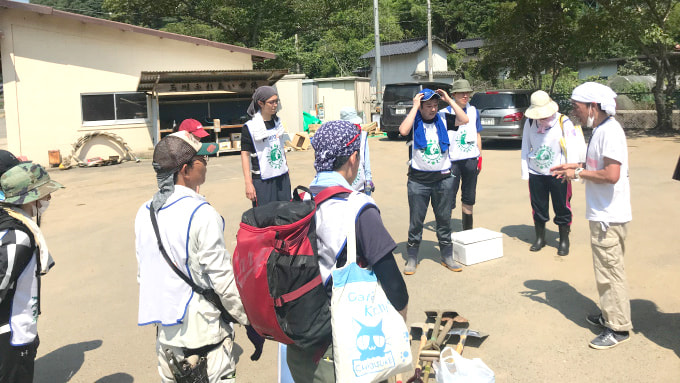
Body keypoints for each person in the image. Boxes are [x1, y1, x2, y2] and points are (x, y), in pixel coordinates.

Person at [286, 120, 409, 382]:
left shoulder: (301, 202)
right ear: (354, 158)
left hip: (301, 346)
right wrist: (398, 329)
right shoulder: (358, 208)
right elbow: (395, 286)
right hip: (344, 353)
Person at [135, 131, 260, 382]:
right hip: (205, 337)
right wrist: (249, 320)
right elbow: (222, 279)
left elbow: (144, 275)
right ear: (185, 169)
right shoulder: (201, 213)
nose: (206, 165)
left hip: (167, 340)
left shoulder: (144, 212)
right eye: (202, 160)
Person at [551, 82, 633, 350]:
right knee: (606, 271)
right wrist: (576, 166)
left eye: (577, 107)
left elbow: (611, 175)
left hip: (608, 216)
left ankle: (617, 327)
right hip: (604, 214)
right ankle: (610, 314)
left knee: (610, 272)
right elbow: (599, 165)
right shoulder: (601, 130)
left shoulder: (610, 132)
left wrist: (578, 174)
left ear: (593, 107)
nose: (575, 112)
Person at [0, 157, 63, 382]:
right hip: (11, 334)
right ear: (29, 198)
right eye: (44, 193)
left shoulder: (11, 221)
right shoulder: (18, 236)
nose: (48, 198)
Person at [398, 88, 469, 275]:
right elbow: (403, 130)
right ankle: (412, 257)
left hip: (443, 180)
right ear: (421, 107)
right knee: (416, 222)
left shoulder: (444, 119)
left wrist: (449, 100)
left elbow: (465, 119)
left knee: (444, 221)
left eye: (436, 105)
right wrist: (414, 107)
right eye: (428, 106)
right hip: (418, 181)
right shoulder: (414, 123)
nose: (433, 109)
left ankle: (447, 256)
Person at [521, 90, 583, 256]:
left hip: (559, 173)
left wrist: (571, 171)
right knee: (538, 207)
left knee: (562, 206)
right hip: (536, 172)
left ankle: (564, 239)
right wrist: (525, 171)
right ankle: (540, 238)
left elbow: (572, 146)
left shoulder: (564, 122)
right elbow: (525, 146)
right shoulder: (530, 123)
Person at [240, 86, 291, 207]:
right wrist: (248, 183)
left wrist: (287, 169)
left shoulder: (278, 123)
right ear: (260, 103)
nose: (275, 105)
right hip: (262, 180)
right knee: (265, 218)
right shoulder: (250, 127)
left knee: (285, 214)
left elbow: (280, 148)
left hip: (281, 176)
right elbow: (245, 155)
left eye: (276, 101)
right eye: (271, 102)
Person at [444, 79, 483, 231]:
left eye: (467, 93)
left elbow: (477, 134)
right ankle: (445, 231)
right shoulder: (445, 113)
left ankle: (467, 229)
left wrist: (480, 156)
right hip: (452, 161)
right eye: (461, 93)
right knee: (448, 197)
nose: (465, 95)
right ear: (453, 95)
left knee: (469, 196)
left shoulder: (473, 111)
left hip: (470, 159)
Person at [339, 107, 375, 195]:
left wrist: (368, 179)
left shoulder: (362, 137)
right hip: (344, 185)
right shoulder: (339, 138)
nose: (355, 128)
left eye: (356, 125)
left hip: (360, 185)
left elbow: (366, 159)